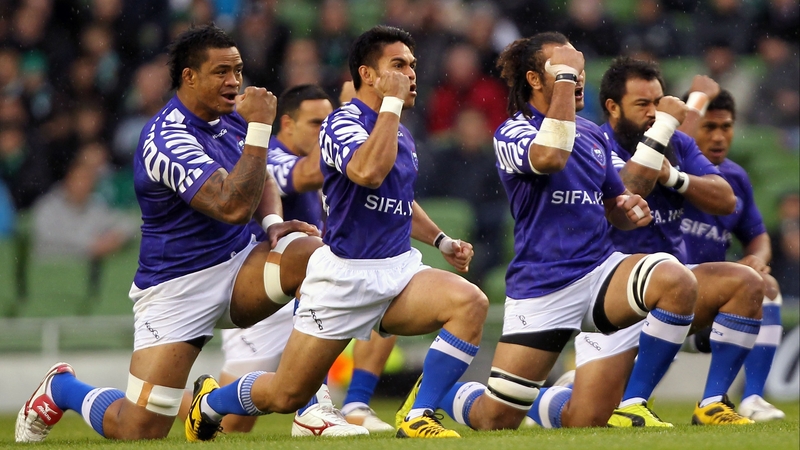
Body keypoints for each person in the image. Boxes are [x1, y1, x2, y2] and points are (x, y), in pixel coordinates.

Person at [15, 24, 321, 443]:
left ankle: (314, 406)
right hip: (177, 289)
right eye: (221, 72)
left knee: (310, 254)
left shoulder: (232, 119)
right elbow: (232, 205)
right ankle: (62, 388)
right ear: (189, 77)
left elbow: (261, 174)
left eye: (238, 69)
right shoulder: (166, 138)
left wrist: (272, 224)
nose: (234, 81)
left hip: (238, 266)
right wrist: (260, 130)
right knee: (139, 429)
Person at [182, 25, 488, 441]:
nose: (410, 74)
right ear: (368, 74)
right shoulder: (342, 123)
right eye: (398, 65)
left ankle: (418, 414)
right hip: (343, 279)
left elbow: (399, 201)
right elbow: (367, 171)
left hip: (396, 272)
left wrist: (440, 240)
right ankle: (211, 402)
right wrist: (393, 105)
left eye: (413, 66)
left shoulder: (399, 130)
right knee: (286, 394)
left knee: (470, 303)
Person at [407, 31, 699, 432]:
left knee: (675, 280)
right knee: (499, 421)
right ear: (535, 80)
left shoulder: (594, 134)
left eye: (577, 68)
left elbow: (618, 199)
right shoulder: (512, 132)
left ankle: (635, 402)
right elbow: (550, 156)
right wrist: (565, 82)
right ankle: (439, 393)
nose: (577, 77)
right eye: (563, 71)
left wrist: (625, 208)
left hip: (599, 273)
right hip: (543, 287)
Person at [566, 58, 763, 428]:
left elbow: (726, 199)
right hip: (611, 294)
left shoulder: (680, 143)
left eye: (659, 102)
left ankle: (709, 402)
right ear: (612, 106)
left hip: (675, 287)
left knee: (747, 283)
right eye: (643, 105)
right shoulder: (593, 142)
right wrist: (664, 133)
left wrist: (674, 176)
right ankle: (527, 399)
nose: (655, 113)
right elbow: (630, 187)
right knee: (584, 417)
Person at [200, 83, 395, 436]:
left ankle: (350, 406)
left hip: (307, 290)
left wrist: (441, 240)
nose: (325, 130)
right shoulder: (269, 155)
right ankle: (205, 402)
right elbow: (307, 174)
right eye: (317, 123)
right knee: (234, 425)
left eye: (329, 122)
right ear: (286, 124)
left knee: (385, 294)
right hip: (266, 301)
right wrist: (355, 118)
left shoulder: (332, 160)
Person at [681, 89, 785, 421]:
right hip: (650, 302)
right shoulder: (666, 170)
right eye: (708, 126)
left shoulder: (736, 177)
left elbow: (757, 236)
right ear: (689, 124)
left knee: (765, 286)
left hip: (704, 308)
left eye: (725, 127)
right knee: (587, 407)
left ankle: (748, 398)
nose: (718, 136)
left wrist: (758, 258)